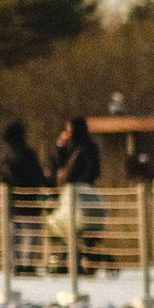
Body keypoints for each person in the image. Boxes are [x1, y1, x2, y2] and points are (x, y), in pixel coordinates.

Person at [46, 117, 103, 275]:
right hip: (73, 193)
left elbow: (89, 170)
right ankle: (74, 260)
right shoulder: (72, 147)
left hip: (78, 193)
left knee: (76, 227)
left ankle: (78, 260)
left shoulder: (85, 148)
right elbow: (59, 163)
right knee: (71, 228)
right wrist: (60, 147)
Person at [0, 122, 48, 272]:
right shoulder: (28, 154)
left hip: (12, 202)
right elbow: (38, 175)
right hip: (30, 201)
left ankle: (16, 264)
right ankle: (27, 263)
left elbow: (3, 178)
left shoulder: (5, 156)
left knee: (14, 235)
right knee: (31, 233)